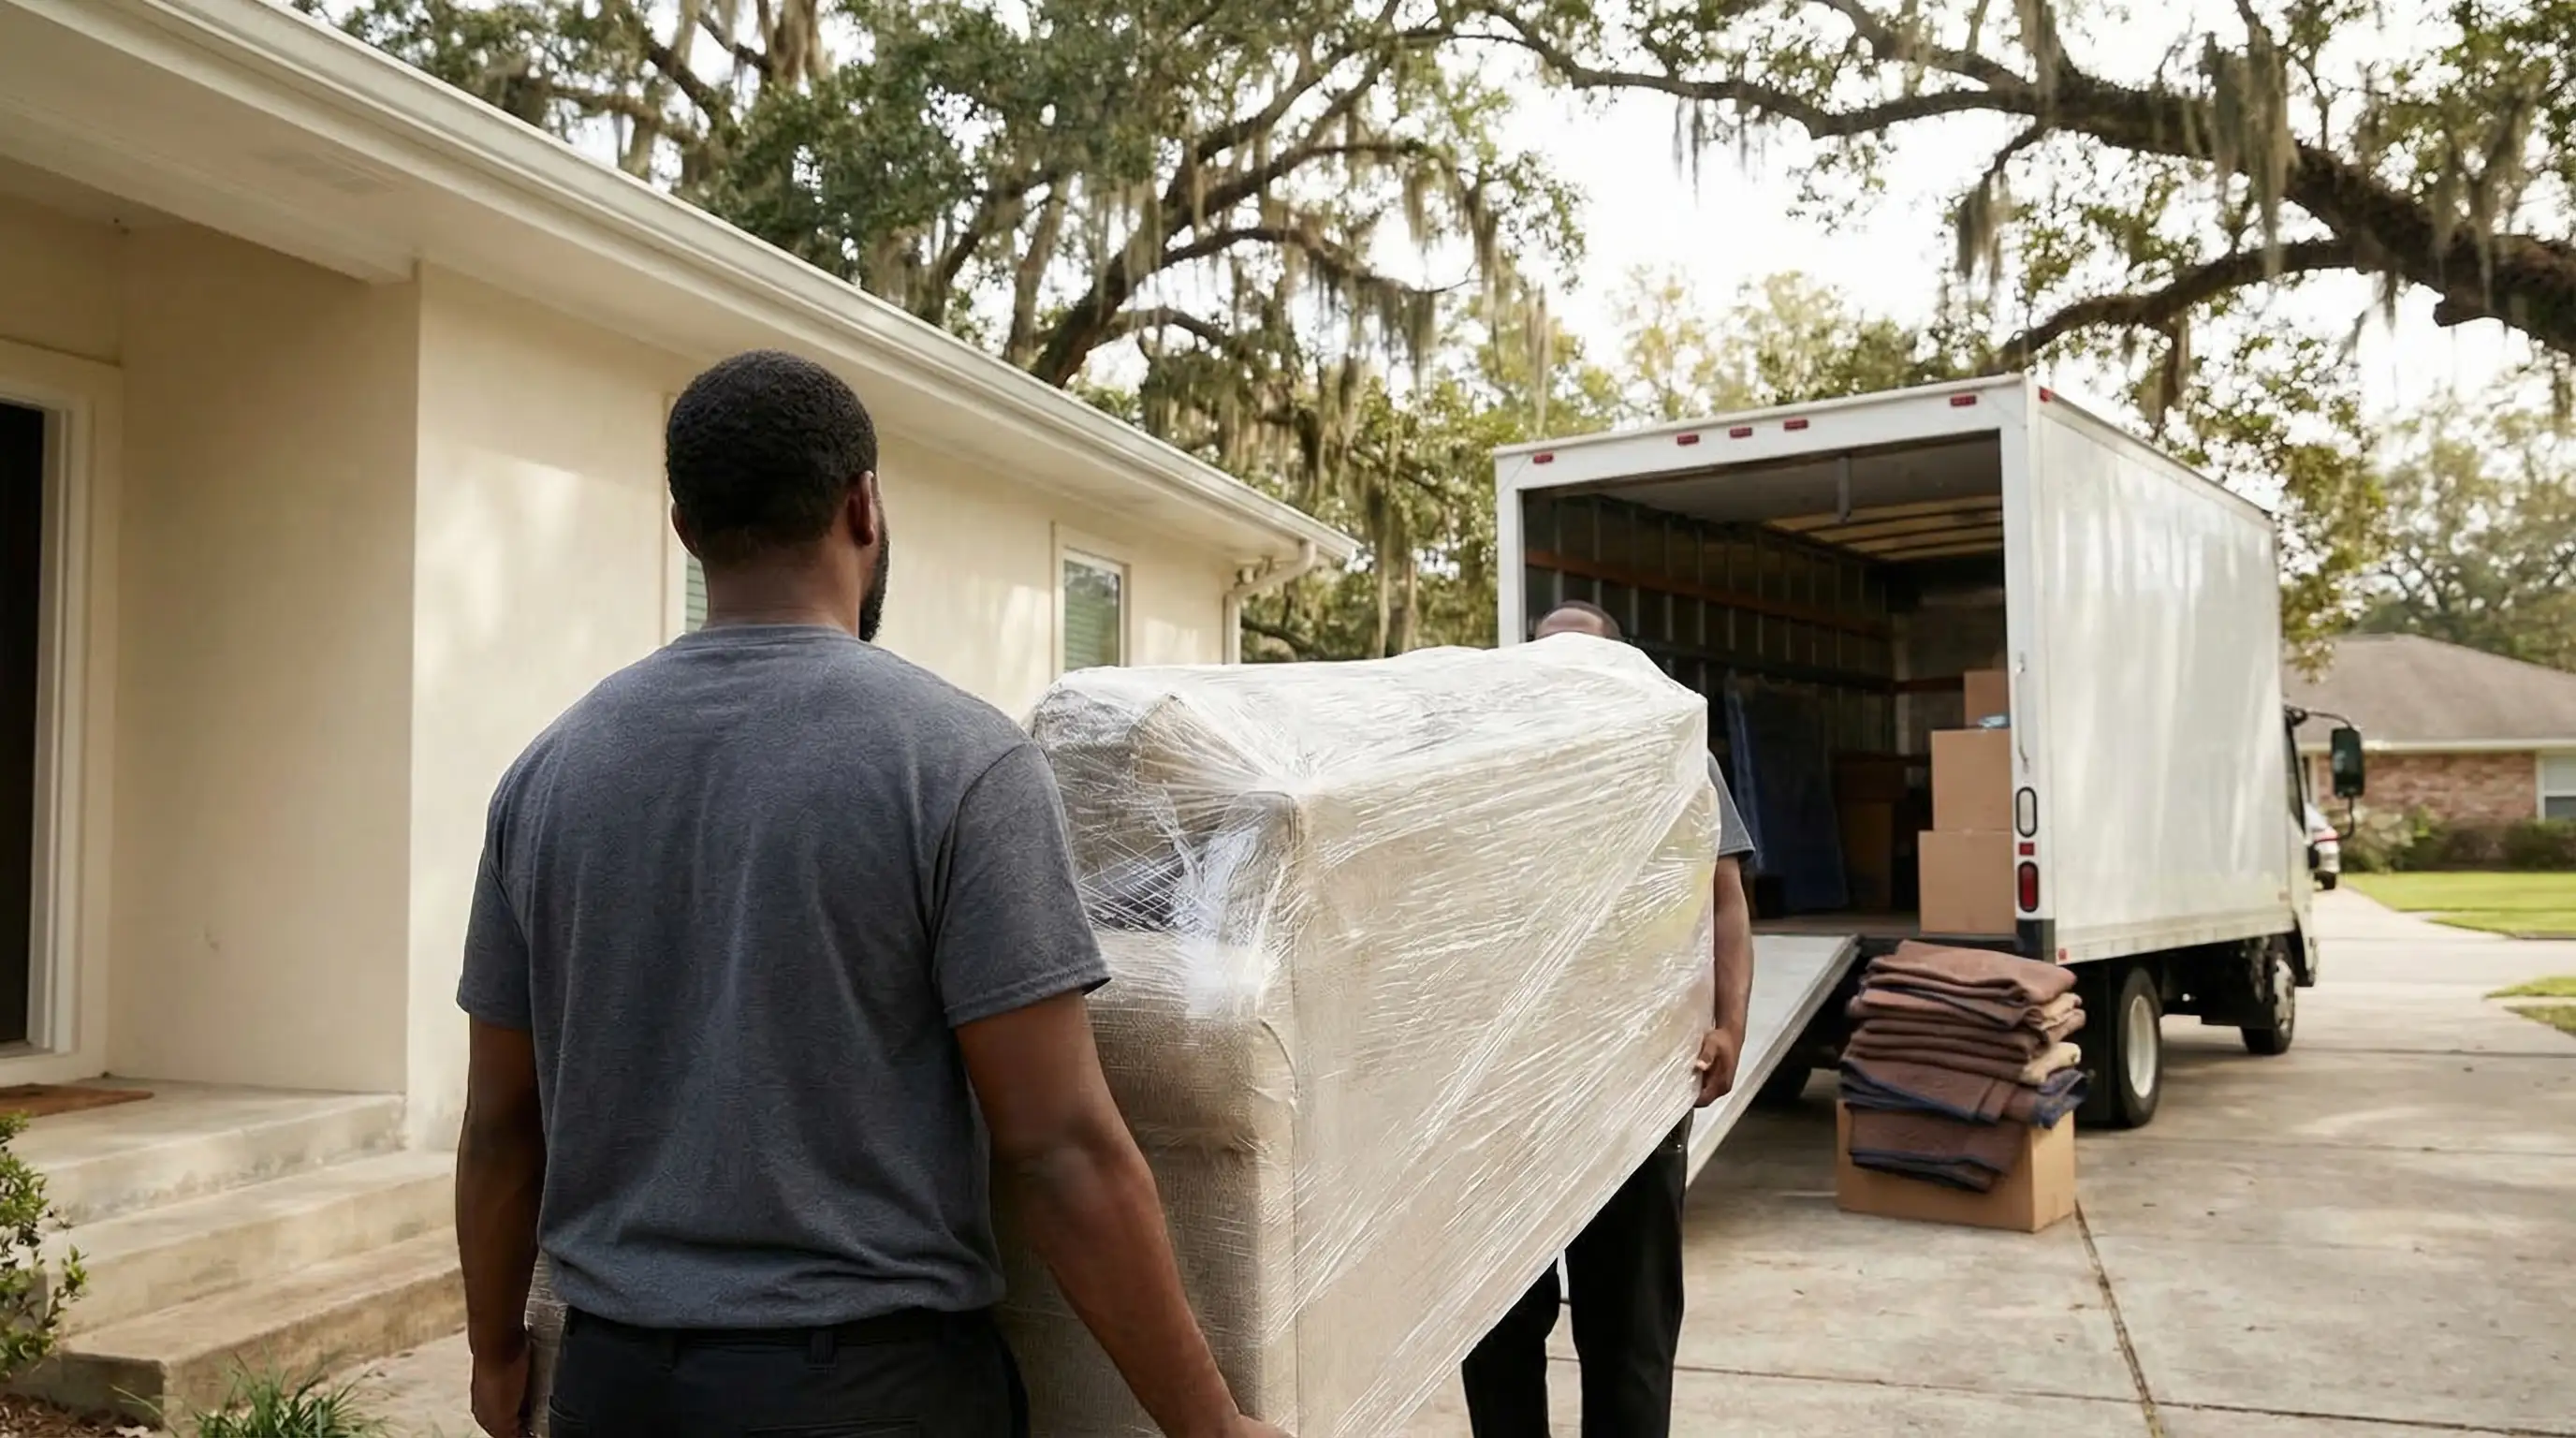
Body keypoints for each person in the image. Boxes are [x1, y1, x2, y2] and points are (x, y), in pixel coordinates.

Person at [453, 350, 1284, 1438]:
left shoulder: (548, 776)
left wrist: (494, 1353)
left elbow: (501, 1132)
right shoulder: (957, 763)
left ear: (685, 529)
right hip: (872, 1394)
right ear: (863, 506)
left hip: (618, 1389)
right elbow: (1062, 1150)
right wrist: (1211, 1425)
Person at [1458, 599, 1758, 1438]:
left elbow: (1724, 902)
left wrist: (1730, 1024)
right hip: (1503, 1100)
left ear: (1623, 675)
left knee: (1629, 1333)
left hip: (1636, 1088)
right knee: (1498, 1331)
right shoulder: (1485, 770)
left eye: (1583, 664)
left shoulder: (1673, 760)